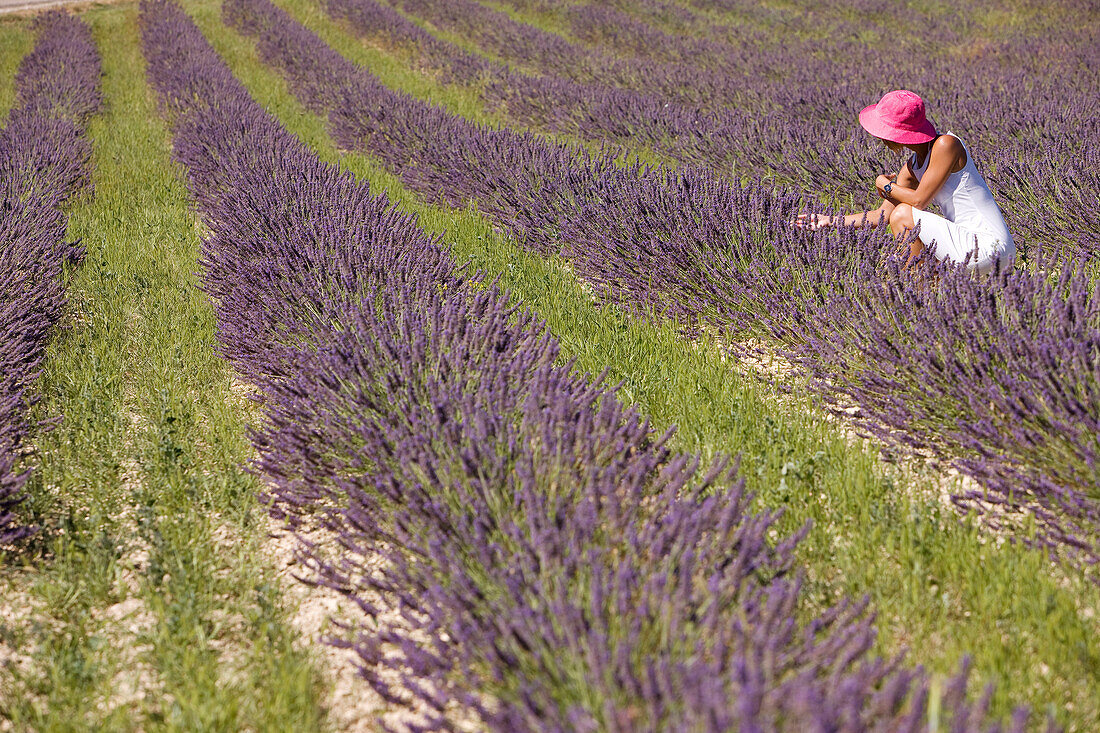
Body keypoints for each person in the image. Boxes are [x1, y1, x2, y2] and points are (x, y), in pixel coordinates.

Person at [796, 90, 1015, 274]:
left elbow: (918, 202)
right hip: (967, 248)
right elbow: (882, 216)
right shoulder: (912, 168)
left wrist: (885, 185)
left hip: (989, 247)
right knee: (901, 216)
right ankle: (928, 299)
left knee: (904, 214)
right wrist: (830, 221)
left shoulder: (947, 144)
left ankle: (917, 296)